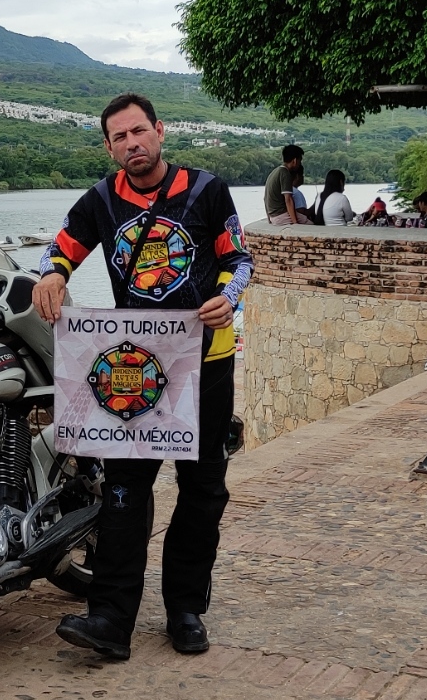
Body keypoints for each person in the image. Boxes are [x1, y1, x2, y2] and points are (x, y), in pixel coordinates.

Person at [31, 92, 254, 660]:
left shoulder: (206, 190)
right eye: (119, 138)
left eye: (139, 131)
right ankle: (109, 617)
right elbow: (60, 248)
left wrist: (227, 297)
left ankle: (185, 609)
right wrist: (52, 276)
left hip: (204, 362)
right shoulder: (101, 200)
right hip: (133, 369)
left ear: (159, 130)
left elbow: (239, 261)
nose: (132, 144)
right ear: (109, 148)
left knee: (202, 489)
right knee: (125, 489)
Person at [264, 145, 305, 225]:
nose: (300, 164)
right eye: (300, 161)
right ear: (295, 160)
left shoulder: (274, 172)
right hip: (281, 215)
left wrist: (269, 219)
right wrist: (295, 222)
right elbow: (288, 199)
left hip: (273, 216)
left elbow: (265, 198)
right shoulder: (285, 173)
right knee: (310, 224)